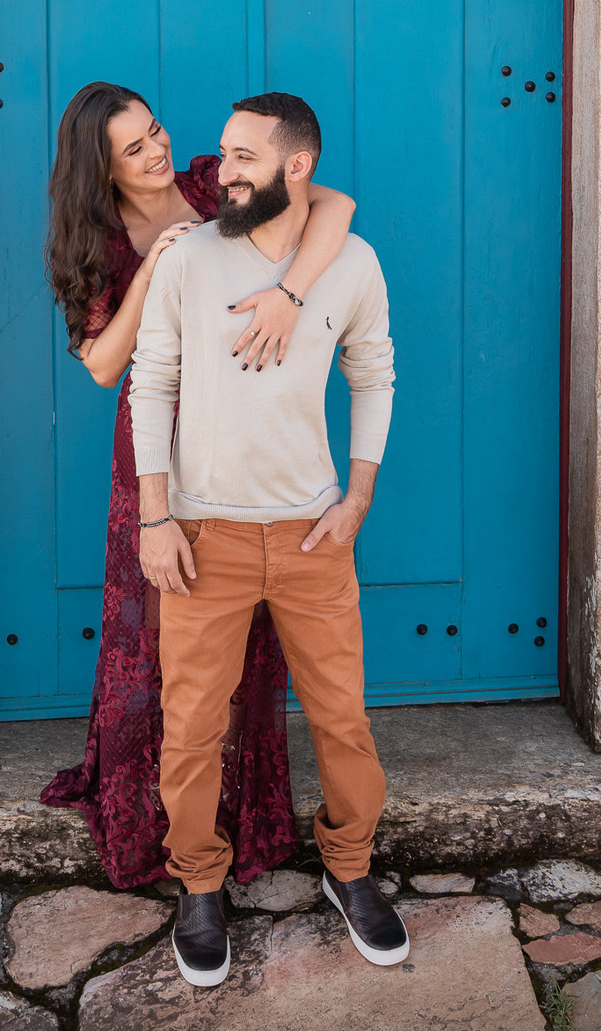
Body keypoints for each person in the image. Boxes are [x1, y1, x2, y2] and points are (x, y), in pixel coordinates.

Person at [40, 81, 356, 888]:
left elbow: (335, 204)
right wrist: (162, 264)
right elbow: (104, 364)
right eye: (135, 149)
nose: (159, 152)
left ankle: (240, 812)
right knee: (156, 639)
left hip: (243, 421)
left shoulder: (214, 180)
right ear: (101, 170)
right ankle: (159, 822)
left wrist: (289, 295)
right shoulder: (94, 236)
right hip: (156, 446)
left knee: (240, 647)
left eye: (154, 131)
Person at [129, 91, 409, 986]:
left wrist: (360, 493)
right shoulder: (189, 257)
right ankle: (200, 886)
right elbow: (150, 380)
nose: (222, 170)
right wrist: (156, 514)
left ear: (296, 166)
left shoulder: (352, 263)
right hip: (204, 534)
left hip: (311, 535)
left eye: (243, 156)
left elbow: (375, 372)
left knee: (342, 719)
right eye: (221, 152)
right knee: (192, 727)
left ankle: (352, 871)